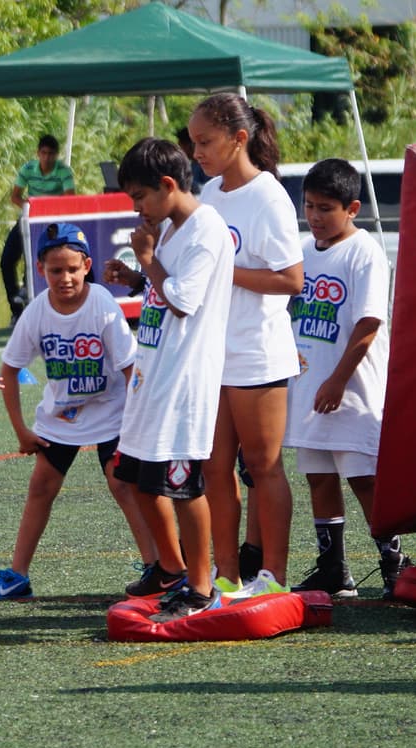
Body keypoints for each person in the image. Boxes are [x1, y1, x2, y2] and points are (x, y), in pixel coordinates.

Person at [0, 223, 158, 602]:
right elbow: (9, 370)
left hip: (112, 415)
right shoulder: (37, 312)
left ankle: (155, 568)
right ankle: (17, 575)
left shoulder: (102, 304)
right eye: (55, 270)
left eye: (73, 269)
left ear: (87, 265)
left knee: (123, 484)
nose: (65, 278)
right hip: (61, 419)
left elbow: (130, 369)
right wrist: (21, 430)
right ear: (40, 269)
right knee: (40, 488)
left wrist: (134, 425)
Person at [103, 138, 234, 622]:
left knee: (183, 487)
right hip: (152, 374)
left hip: (183, 383)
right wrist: (139, 279)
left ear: (168, 185)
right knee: (136, 479)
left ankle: (201, 587)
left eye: (140, 198)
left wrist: (148, 258)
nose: (137, 209)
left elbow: (183, 299)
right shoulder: (175, 228)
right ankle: (172, 569)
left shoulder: (205, 227)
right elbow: (164, 291)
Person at [188, 93, 302, 594]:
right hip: (214, 356)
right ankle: (227, 574)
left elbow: (291, 279)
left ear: (239, 139)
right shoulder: (209, 193)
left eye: (205, 141)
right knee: (214, 469)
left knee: (263, 466)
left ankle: (273, 577)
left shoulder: (268, 195)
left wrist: (224, 270)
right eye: (193, 142)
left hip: (258, 352)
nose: (197, 152)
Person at [285, 158, 409, 600]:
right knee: (318, 476)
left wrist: (338, 380)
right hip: (308, 385)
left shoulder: (364, 253)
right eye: (309, 206)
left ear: (352, 207)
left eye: (326, 208)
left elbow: (369, 322)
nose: (315, 217)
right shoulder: (302, 249)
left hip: (352, 390)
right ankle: (334, 567)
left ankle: (394, 563)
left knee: (363, 478)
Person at [0, 135, 75, 325]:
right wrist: (31, 207)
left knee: (36, 262)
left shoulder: (63, 171)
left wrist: (47, 209)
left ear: (57, 155)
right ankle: (16, 309)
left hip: (53, 223)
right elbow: (15, 196)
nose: (47, 158)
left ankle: (38, 305)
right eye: (43, 153)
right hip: (29, 218)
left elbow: (69, 199)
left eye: (51, 154)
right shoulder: (28, 168)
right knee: (7, 260)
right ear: (38, 153)